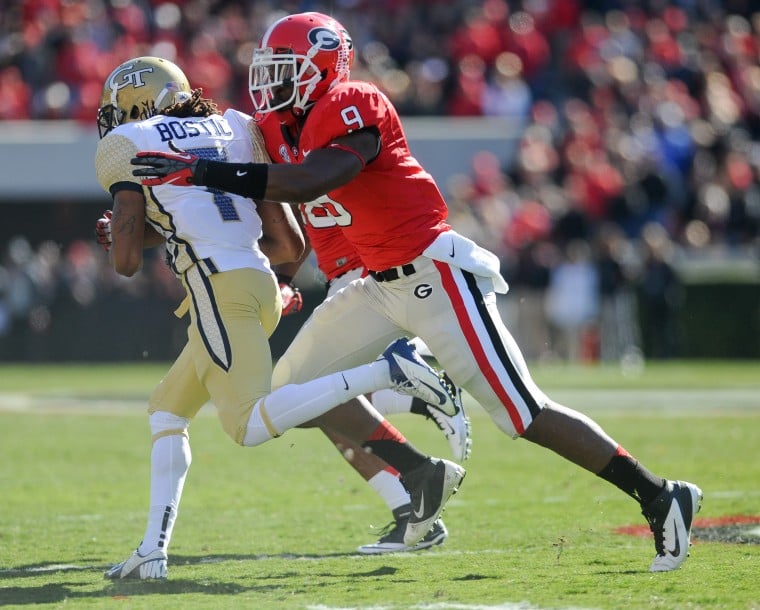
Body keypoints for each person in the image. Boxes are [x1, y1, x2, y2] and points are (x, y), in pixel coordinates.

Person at [131, 12, 702, 572]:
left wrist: (198, 173)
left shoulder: (352, 101)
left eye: (283, 68)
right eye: (267, 68)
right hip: (372, 284)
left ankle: (659, 494)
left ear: (322, 66)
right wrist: (150, 223)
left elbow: (313, 180)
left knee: (523, 413)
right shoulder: (275, 128)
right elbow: (257, 203)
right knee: (293, 393)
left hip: (433, 273)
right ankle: (419, 478)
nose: (269, 81)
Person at [94, 55, 465, 579]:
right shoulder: (235, 128)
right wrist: (273, 285)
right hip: (260, 286)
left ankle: (391, 375)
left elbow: (127, 264)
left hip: (219, 292)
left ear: (133, 104)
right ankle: (152, 549)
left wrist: (119, 232)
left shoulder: (127, 144)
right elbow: (288, 241)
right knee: (167, 410)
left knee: (247, 425)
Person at [273, 219, 471, 554]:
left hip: (360, 278)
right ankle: (411, 505)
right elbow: (300, 213)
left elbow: (296, 204)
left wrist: (279, 276)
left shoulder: (309, 167)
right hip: (361, 274)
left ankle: (415, 397)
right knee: (326, 405)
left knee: (306, 398)